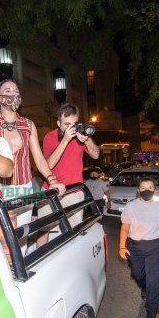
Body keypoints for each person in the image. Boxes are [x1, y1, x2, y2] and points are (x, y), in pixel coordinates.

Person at [0, 78, 65, 226]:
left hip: (24, 189)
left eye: (16, 92)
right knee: (0, 238)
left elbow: (39, 158)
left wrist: (52, 180)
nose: (13, 94)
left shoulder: (28, 125)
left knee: (23, 238)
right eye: (8, 91)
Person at [119, 177, 159, 318]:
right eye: (143, 187)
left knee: (155, 281)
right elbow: (125, 227)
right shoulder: (130, 207)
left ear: (154, 189)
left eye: (150, 187)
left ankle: (151, 314)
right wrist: (121, 247)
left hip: (156, 247)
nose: (146, 190)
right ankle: (144, 287)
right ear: (138, 189)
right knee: (138, 275)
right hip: (135, 247)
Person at [37, 103, 100, 245]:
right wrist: (65, 140)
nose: (71, 128)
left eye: (74, 123)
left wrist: (87, 138)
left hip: (74, 193)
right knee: (43, 230)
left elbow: (96, 155)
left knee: (72, 233)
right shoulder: (50, 137)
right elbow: (48, 165)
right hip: (50, 191)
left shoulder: (80, 136)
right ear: (59, 123)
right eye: (67, 124)